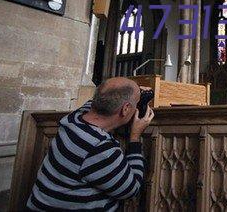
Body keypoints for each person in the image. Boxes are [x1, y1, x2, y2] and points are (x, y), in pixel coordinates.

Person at [26, 77, 155, 211]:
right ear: (126, 109)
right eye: (136, 103)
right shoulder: (98, 147)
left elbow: (100, 98)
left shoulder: (74, 118)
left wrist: (137, 92)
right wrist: (135, 137)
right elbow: (131, 189)